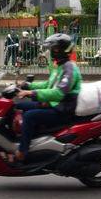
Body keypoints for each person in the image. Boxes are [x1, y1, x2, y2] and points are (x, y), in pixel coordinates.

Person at [14, 33, 82, 161]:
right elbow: (48, 84)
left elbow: (59, 93)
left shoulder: (70, 69)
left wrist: (31, 94)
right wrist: (27, 85)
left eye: (54, 49)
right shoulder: (60, 66)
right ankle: (28, 139)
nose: (51, 52)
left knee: (29, 116)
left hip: (62, 109)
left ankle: (23, 152)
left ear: (61, 50)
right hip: (52, 104)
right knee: (16, 106)